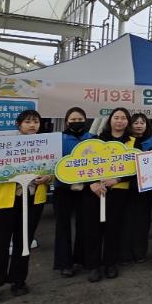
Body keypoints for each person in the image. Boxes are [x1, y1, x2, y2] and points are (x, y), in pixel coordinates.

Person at [0, 110, 50, 301]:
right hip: (4, 201)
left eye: (36, 121)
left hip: (33, 199)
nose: (32, 125)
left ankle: (19, 281)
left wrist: (48, 177)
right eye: (27, 122)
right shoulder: (4, 144)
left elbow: (53, 168)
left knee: (24, 241)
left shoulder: (46, 144)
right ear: (19, 124)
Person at [82, 107, 136, 282]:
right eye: (116, 117)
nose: (119, 121)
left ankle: (110, 263)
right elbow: (84, 165)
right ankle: (93, 266)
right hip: (96, 192)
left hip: (119, 192)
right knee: (93, 229)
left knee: (114, 228)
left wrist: (118, 179)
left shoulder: (133, 142)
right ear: (110, 120)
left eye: (123, 118)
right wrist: (92, 184)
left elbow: (137, 168)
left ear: (128, 122)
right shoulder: (97, 141)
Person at [53, 107, 92, 278]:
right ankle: (65, 263)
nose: (76, 122)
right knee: (63, 226)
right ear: (66, 121)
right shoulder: (57, 139)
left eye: (80, 119)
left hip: (86, 189)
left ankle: (81, 259)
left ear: (85, 120)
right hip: (63, 189)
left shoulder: (93, 138)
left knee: (85, 224)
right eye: (73, 120)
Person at [120, 113, 152, 265]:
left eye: (142, 123)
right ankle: (125, 253)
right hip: (126, 186)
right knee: (126, 220)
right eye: (136, 123)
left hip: (145, 188)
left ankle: (140, 253)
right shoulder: (124, 141)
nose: (139, 125)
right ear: (130, 125)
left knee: (143, 221)